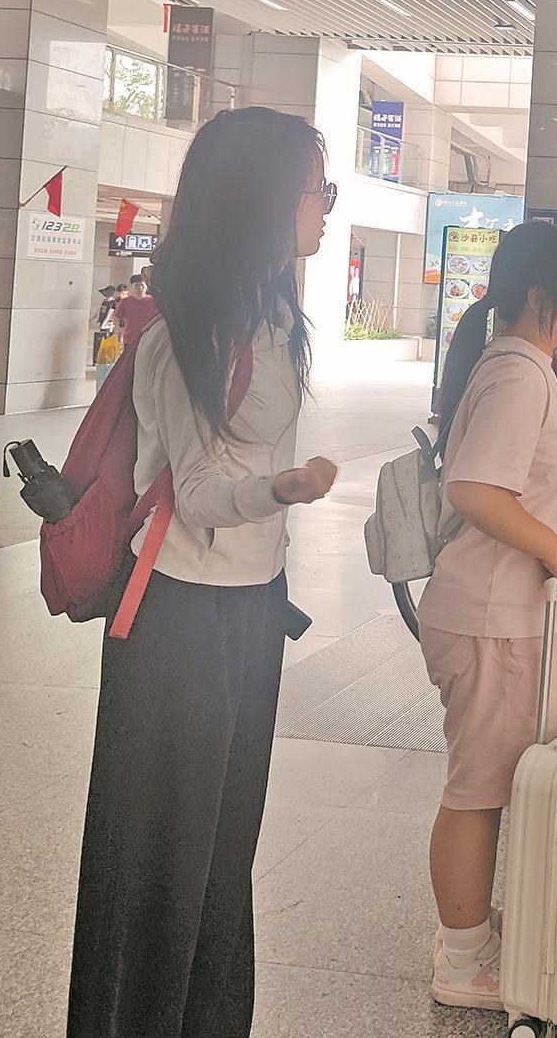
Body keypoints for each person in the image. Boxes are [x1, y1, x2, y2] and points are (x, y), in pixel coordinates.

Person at [66, 107, 340, 1038]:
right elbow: (197, 492)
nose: (324, 206)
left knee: (223, 858)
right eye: (314, 188)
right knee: (158, 868)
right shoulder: (184, 332)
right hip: (175, 620)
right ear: (261, 197)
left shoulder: (277, 319)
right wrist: (283, 489)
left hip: (251, 612)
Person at [420, 220, 557, 1013]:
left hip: (506, 614)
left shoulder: (522, 368)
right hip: (492, 616)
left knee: (492, 782)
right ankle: (463, 962)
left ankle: (471, 934)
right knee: (478, 788)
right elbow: (474, 488)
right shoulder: (518, 375)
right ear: (540, 296)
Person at [114, 273, 158, 349]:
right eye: (137, 285)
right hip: (130, 339)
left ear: (146, 286)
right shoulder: (125, 302)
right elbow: (116, 318)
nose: (140, 288)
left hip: (148, 339)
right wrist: (118, 331)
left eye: (142, 285)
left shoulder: (153, 301)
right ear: (132, 287)